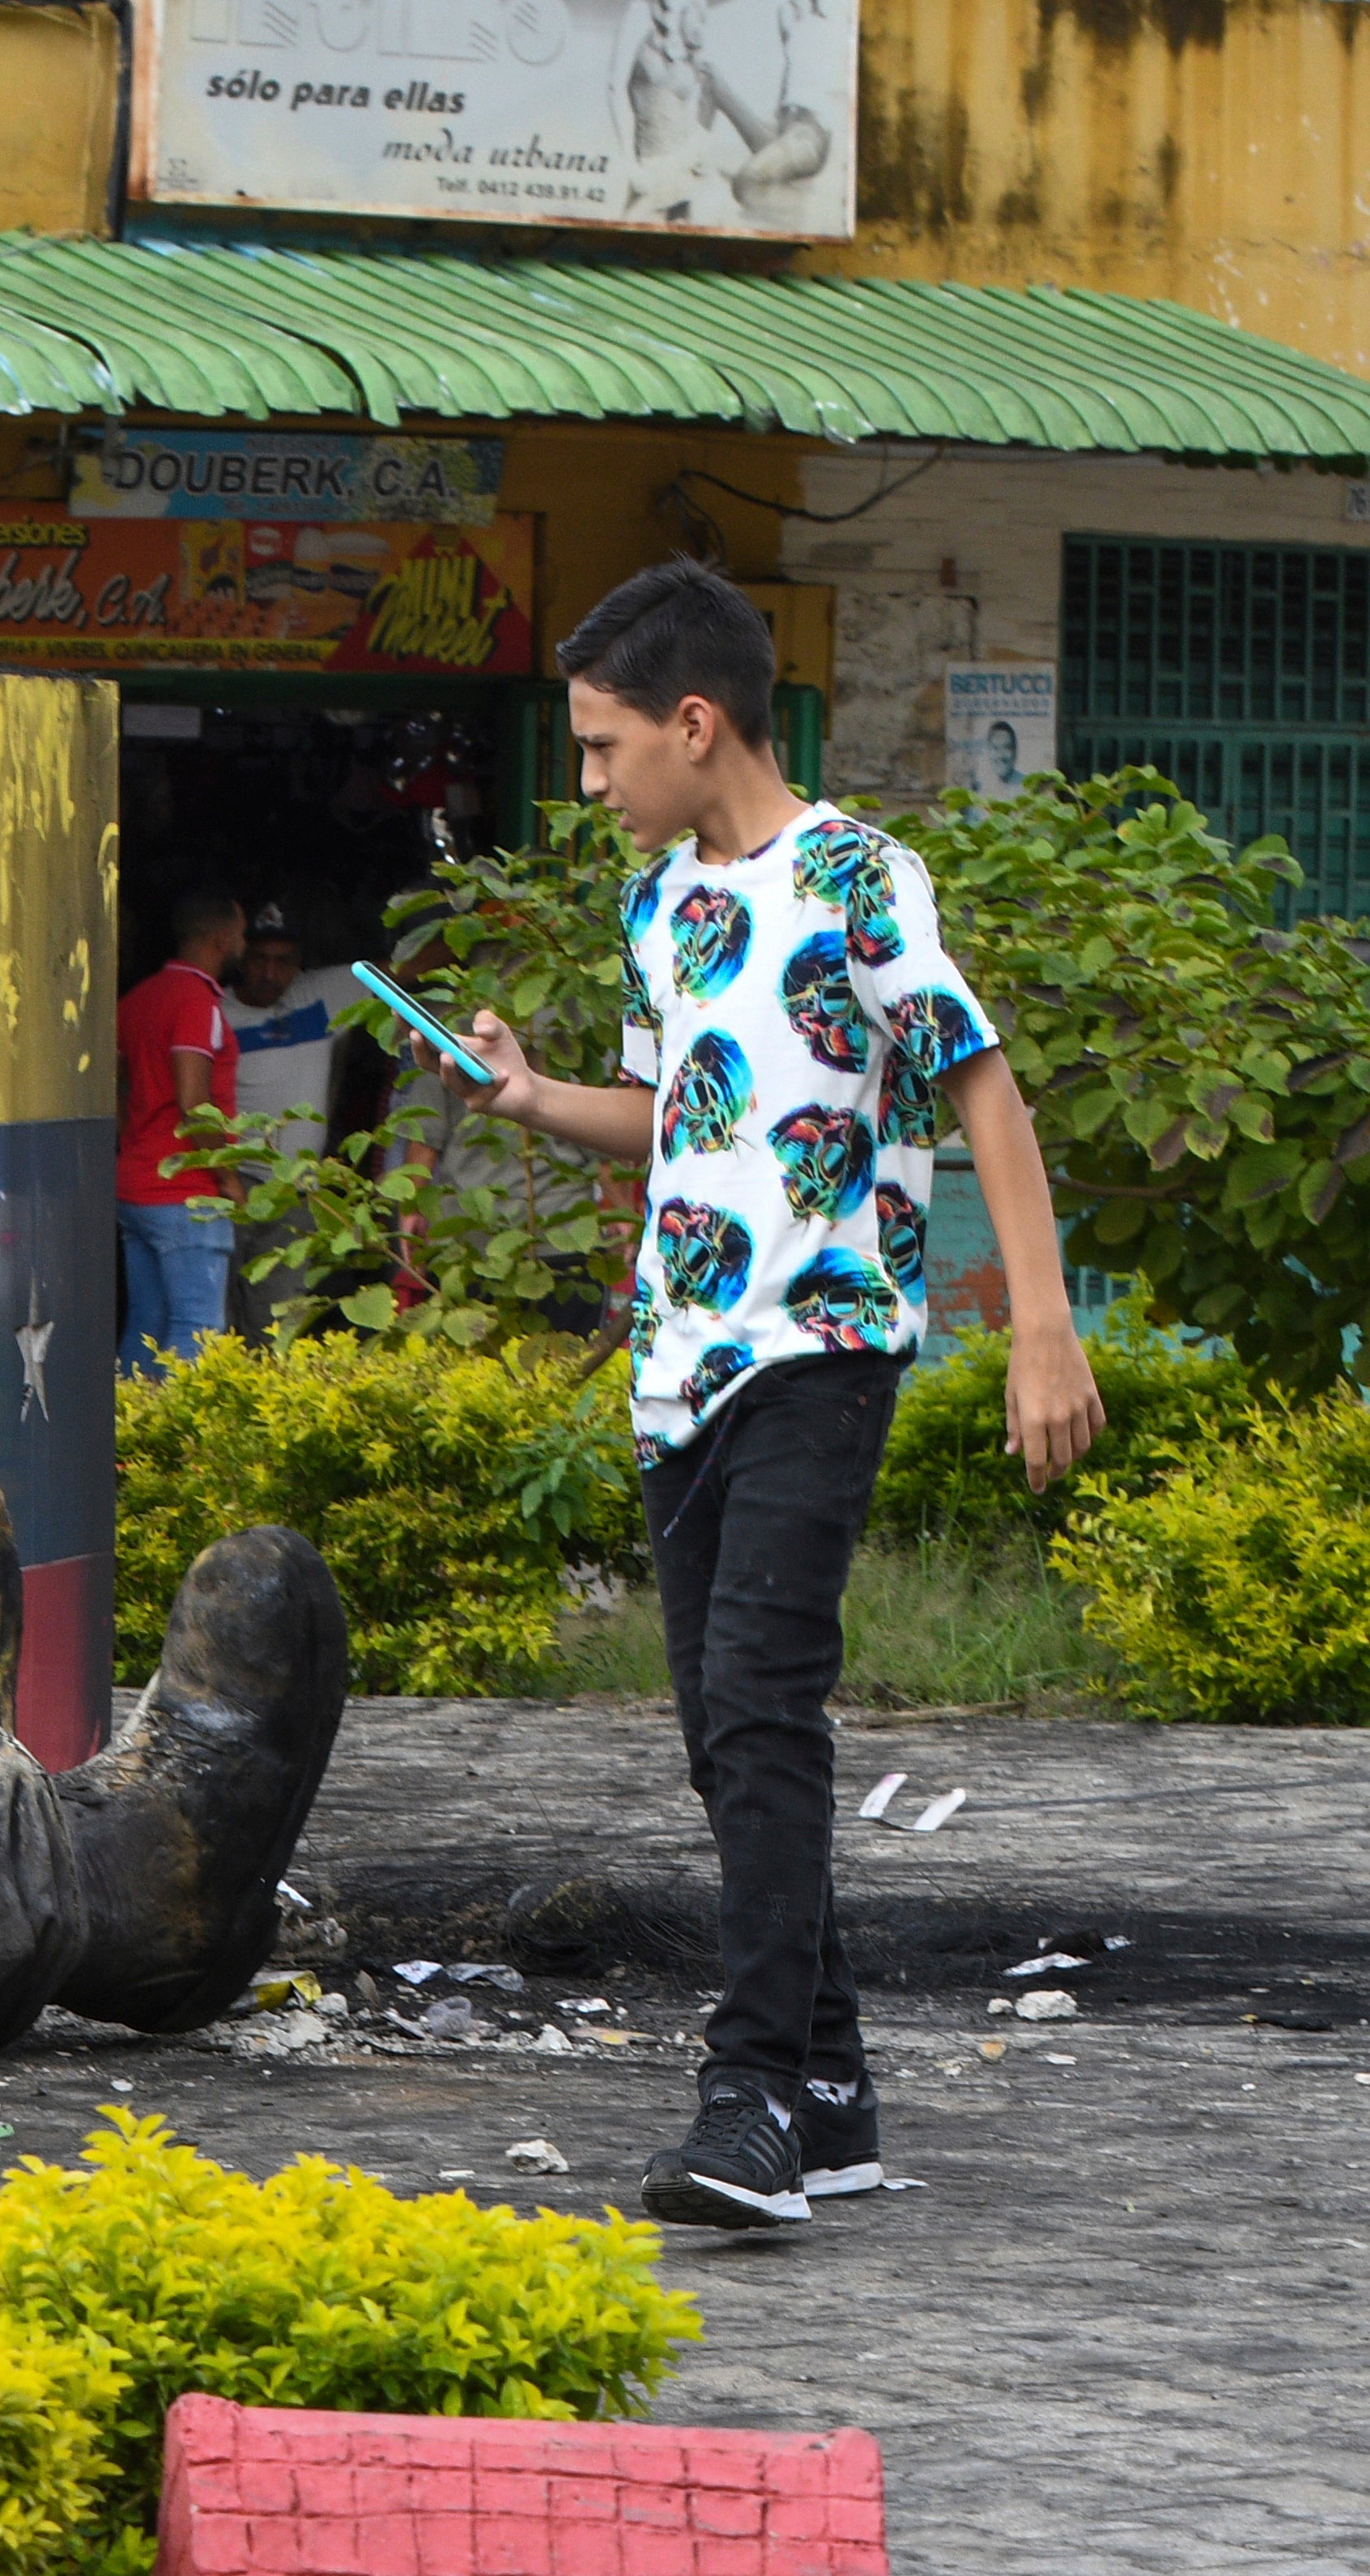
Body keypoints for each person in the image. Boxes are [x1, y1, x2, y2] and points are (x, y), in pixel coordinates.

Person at [437, 559, 1103, 2234]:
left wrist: (1041, 1327)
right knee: (722, 1740)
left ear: (690, 721)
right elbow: (678, 1112)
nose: (586, 784)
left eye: (599, 748)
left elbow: (979, 1087)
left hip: (821, 1341)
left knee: (754, 1707)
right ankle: (830, 2089)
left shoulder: (855, 880)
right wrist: (528, 1099)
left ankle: (742, 2098)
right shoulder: (660, 906)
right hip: (676, 1372)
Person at [223, 905, 372, 1327]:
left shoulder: (318, 997)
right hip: (232, 1186)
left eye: (283, 961)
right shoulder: (214, 1013)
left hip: (296, 1191)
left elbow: (402, 969)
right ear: (239, 956)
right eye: (259, 959)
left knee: (280, 1321)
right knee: (217, 1321)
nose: (270, 973)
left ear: (299, 965)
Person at [117, 889, 243, 1375]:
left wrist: (135, 1137)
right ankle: (184, 1448)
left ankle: (130, 1440)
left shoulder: (138, 998)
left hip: (135, 1183)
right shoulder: (197, 1001)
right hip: (186, 1192)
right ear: (220, 937)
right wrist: (227, 1177)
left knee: (146, 1323)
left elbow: (114, 1082)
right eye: (241, 934)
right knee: (197, 1327)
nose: (242, 943)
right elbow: (194, 1105)